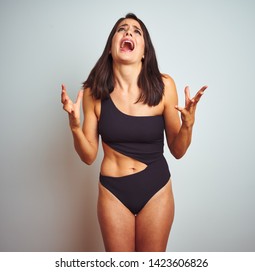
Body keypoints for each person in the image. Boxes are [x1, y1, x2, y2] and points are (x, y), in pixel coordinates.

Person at [61, 13, 207, 252]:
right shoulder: (93, 92)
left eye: (136, 31)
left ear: (144, 52)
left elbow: (178, 151)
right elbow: (88, 156)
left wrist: (188, 124)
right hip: (113, 192)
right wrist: (75, 127)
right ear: (111, 47)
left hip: (156, 189)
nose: (128, 32)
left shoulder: (164, 86)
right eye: (122, 29)